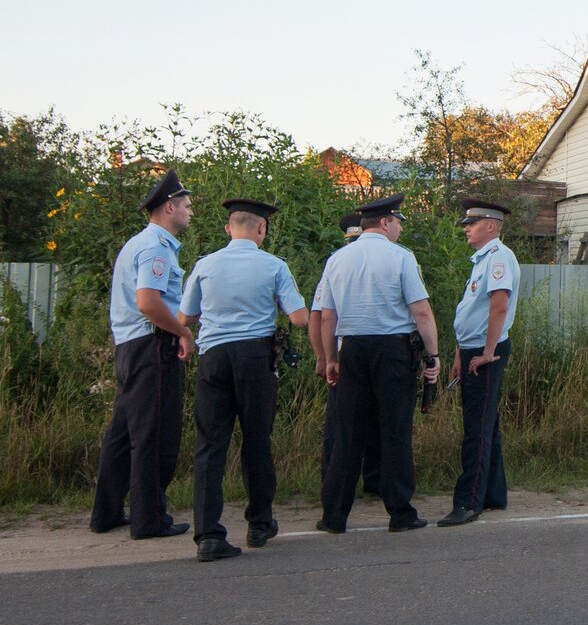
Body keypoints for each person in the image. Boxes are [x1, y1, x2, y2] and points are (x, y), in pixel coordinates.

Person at [179, 199, 308, 562]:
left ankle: (207, 535)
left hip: (214, 357)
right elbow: (299, 318)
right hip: (255, 357)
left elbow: (185, 317)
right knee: (256, 440)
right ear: (262, 230)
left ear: (228, 229)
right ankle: (259, 523)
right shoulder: (274, 266)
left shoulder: (204, 265)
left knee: (209, 444)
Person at [316, 194, 440, 534]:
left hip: (352, 348)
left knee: (347, 433)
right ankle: (400, 512)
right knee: (395, 430)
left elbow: (328, 317)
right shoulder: (401, 257)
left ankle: (334, 515)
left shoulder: (338, 260)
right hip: (392, 350)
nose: (399, 228)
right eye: (398, 221)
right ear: (384, 223)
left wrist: (330, 359)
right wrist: (434, 355)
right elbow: (421, 311)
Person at [89, 169, 195, 539]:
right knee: (154, 433)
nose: (190, 212)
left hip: (131, 346)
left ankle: (106, 512)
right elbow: (149, 302)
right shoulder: (156, 247)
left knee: (122, 433)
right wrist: (182, 331)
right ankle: (149, 518)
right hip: (152, 347)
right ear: (169, 207)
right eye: (186, 205)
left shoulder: (137, 243)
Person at [438, 199, 521, 527]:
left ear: (490, 225)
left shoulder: (498, 257)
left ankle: (468, 502)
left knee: (477, 429)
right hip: (473, 349)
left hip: (487, 352)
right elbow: (471, 311)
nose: (466, 229)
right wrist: (462, 352)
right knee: (488, 424)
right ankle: (493, 494)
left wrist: (486, 352)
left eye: (471, 224)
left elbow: (499, 305)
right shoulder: (482, 260)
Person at [309, 213, 381, 495]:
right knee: (338, 424)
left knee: (375, 420)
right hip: (342, 355)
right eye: (350, 241)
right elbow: (318, 316)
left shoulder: (375, 261)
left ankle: (374, 480)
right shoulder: (337, 264)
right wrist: (323, 357)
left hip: (368, 352)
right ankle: (331, 480)